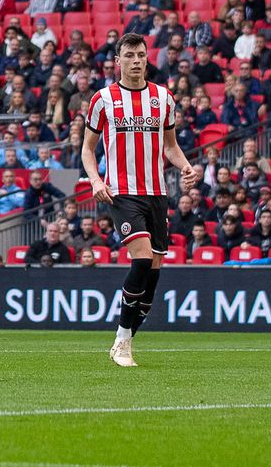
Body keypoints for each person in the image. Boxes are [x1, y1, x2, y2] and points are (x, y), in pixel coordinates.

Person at [82, 33, 197, 367]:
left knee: (154, 273)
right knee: (142, 260)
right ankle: (121, 341)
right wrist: (95, 180)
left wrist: (186, 166)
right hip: (121, 192)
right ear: (117, 60)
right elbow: (88, 149)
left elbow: (170, 146)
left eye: (141, 55)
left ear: (147, 59)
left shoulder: (163, 98)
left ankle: (127, 338)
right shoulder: (103, 99)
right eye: (129, 55)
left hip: (157, 193)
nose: (136, 60)